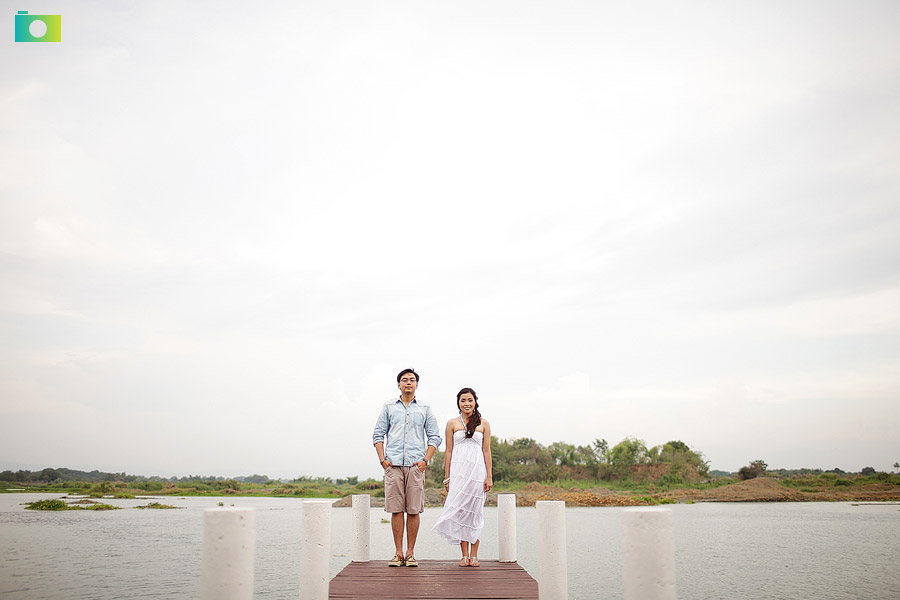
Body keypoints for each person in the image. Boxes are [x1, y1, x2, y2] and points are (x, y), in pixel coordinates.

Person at [372, 368, 442, 567]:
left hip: (415, 465)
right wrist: (382, 460)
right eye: (404, 380)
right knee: (396, 510)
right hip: (393, 465)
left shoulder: (425, 409)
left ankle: (410, 553)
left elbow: (435, 437)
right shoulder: (388, 407)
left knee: (413, 510)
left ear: (417, 385)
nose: (408, 383)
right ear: (399, 385)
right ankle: (398, 553)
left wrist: (425, 461)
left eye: (412, 380)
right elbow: (378, 434)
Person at [431, 387, 493, 567]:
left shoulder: (484, 423)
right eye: (463, 400)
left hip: (477, 473)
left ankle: (474, 555)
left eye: (470, 400)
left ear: (475, 402)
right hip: (458, 473)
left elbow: (487, 450)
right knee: (460, 511)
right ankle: (464, 555)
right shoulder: (452, 423)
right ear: (458, 403)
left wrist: (489, 476)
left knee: (475, 512)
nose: (467, 403)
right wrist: (447, 477)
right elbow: (448, 451)